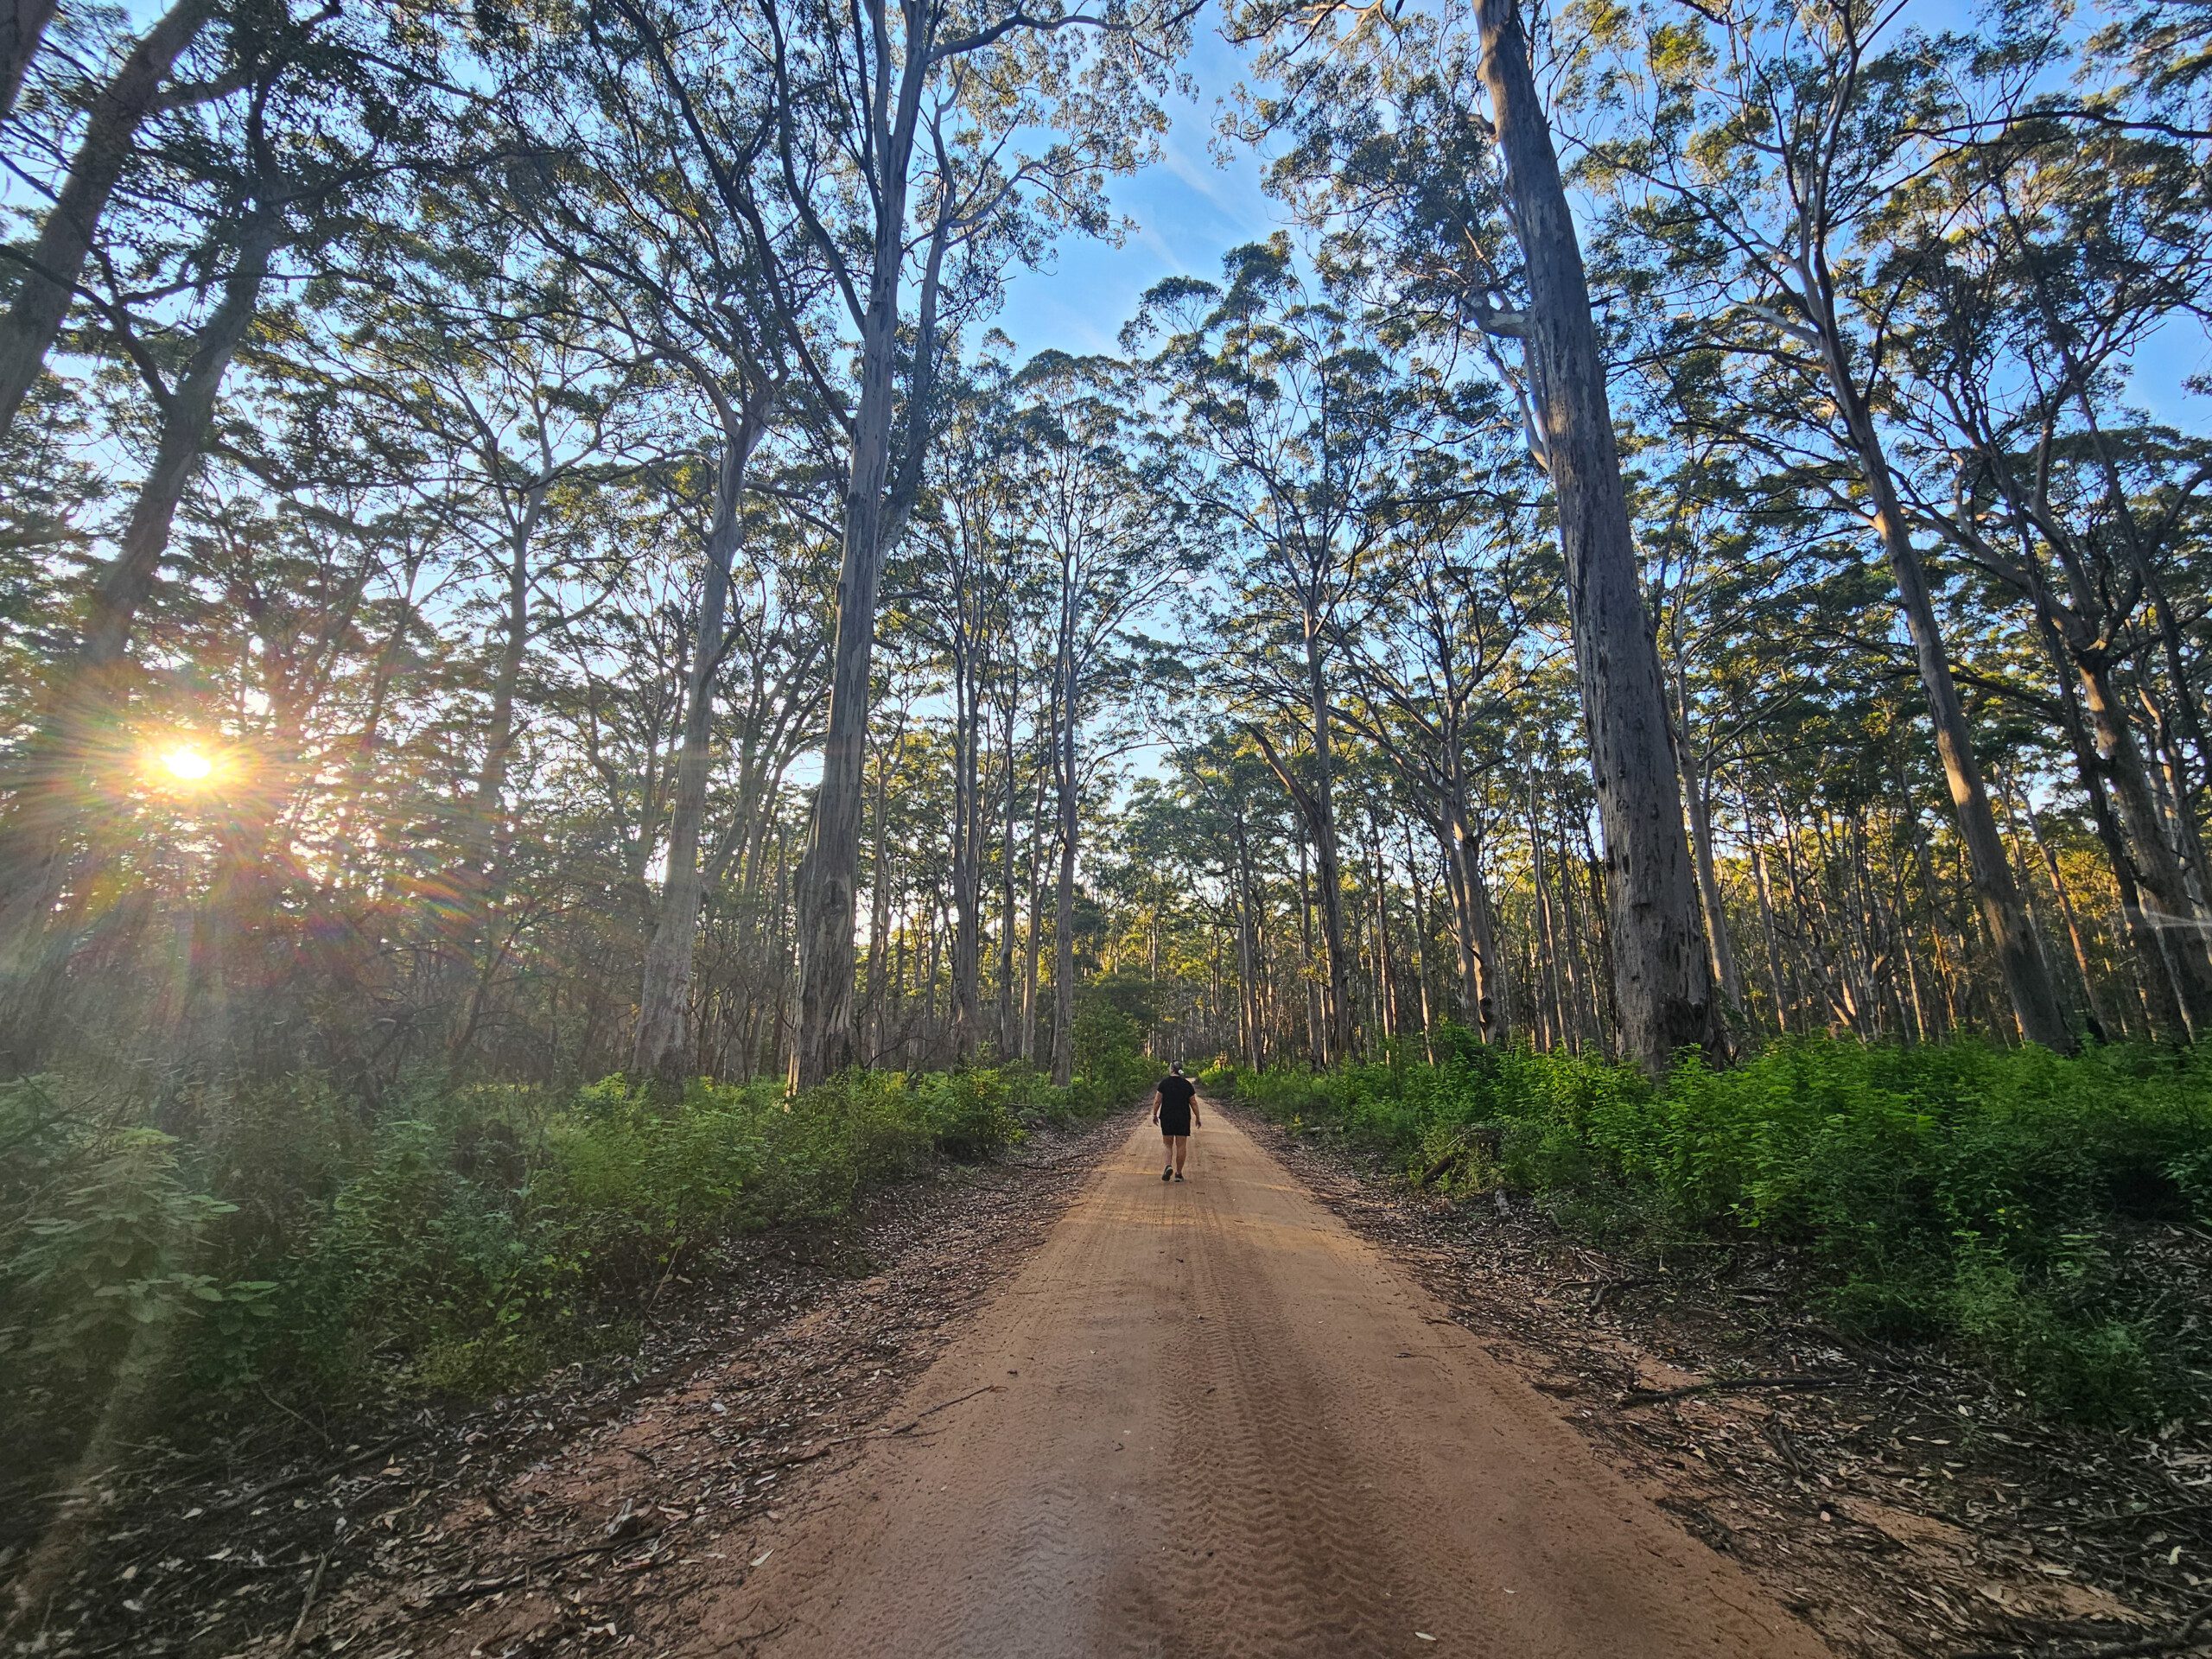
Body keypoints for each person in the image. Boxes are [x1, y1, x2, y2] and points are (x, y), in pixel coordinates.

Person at [1153, 1062, 1199, 1181]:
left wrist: (1154, 1114)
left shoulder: (1164, 1083)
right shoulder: (1186, 1085)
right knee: (1181, 1145)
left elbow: (1158, 1100)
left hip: (1167, 1117)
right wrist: (1198, 1117)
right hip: (1183, 1118)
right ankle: (1178, 1174)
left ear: (1172, 1069)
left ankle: (1168, 1166)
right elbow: (1193, 1102)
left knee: (1167, 1144)